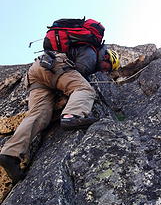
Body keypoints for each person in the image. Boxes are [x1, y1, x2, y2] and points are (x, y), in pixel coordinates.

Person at [0, 43, 120, 184]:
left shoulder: (82, 50)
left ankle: (10, 153)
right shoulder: (92, 54)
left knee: (39, 115)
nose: (106, 71)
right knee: (85, 89)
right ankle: (72, 116)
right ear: (106, 57)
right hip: (56, 67)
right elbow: (77, 73)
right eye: (109, 67)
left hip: (36, 72)